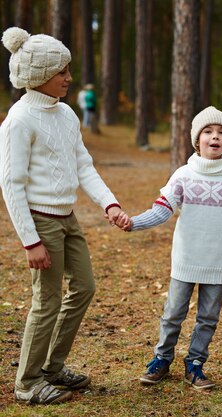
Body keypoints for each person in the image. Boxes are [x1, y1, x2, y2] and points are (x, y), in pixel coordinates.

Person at [0, 27, 129, 405]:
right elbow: (11, 184)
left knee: (85, 287)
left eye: (68, 70)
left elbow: (83, 165)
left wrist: (110, 204)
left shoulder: (67, 114)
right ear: (39, 75)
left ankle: (52, 368)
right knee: (47, 301)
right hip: (40, 222)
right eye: (61, 71)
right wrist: (31, 241)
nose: (69, 78)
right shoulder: (19, 121)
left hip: (67, 218)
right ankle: (27, 383)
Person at [120, 106, 222, 390]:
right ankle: (161, 359)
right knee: (173, 313)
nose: (214, 137)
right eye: (208, 132)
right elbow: (161, 210)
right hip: (186, 258)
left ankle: (194, 364)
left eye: (221, 133)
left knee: (208, 317)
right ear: (197, 140)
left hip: (218, 261)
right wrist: (133, 223)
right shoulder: (183, 175)